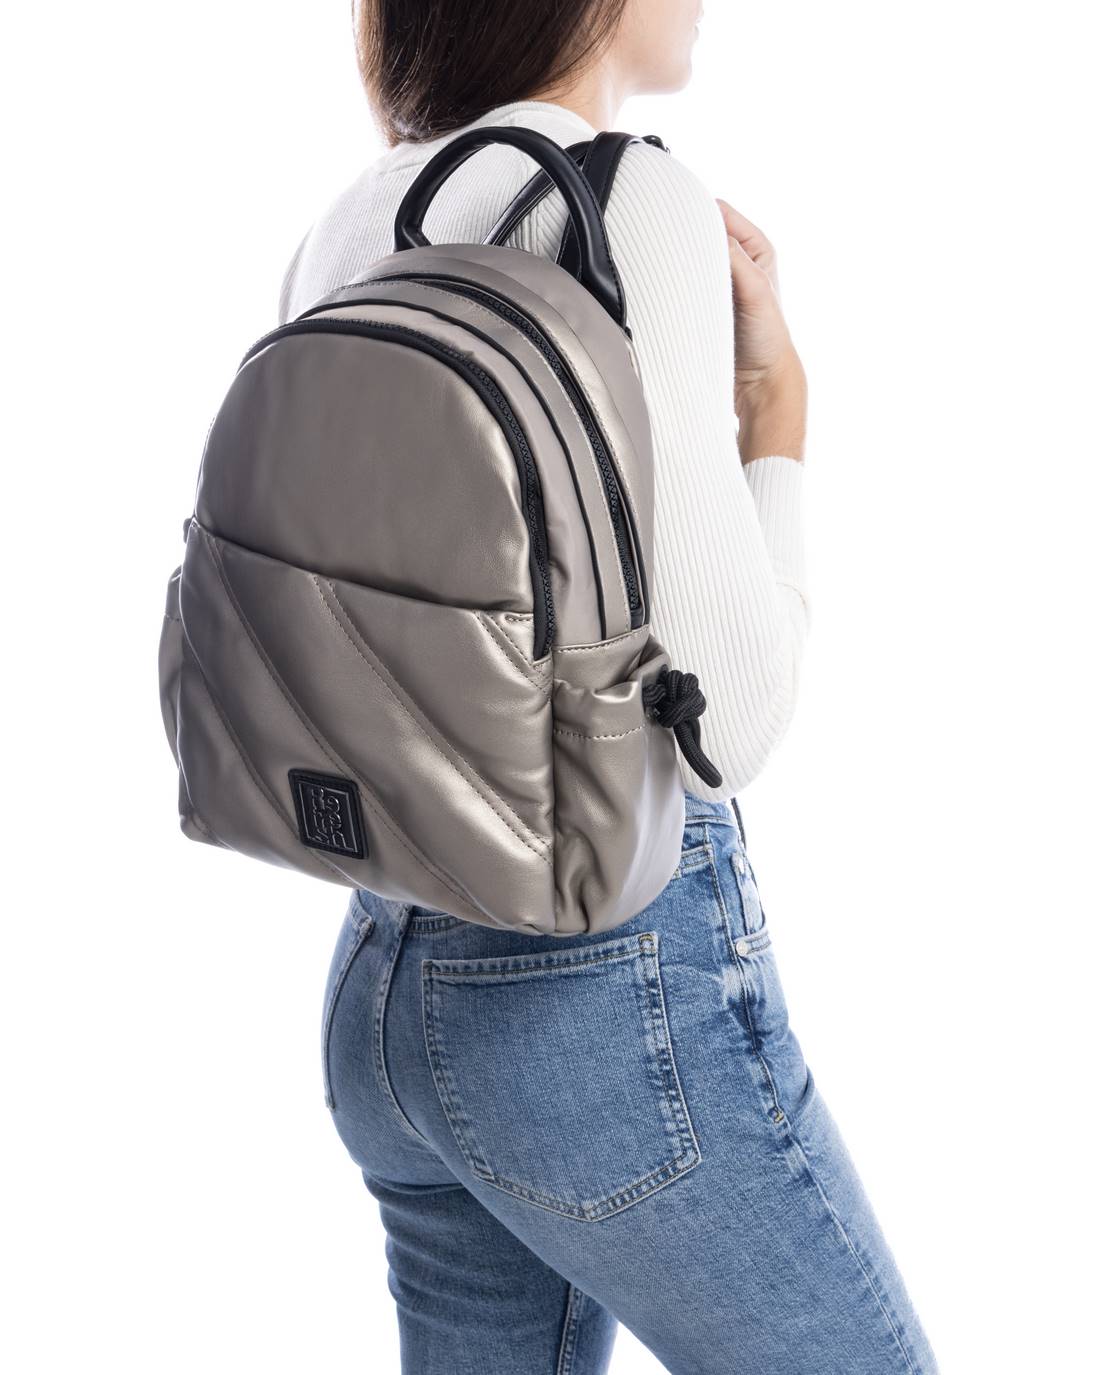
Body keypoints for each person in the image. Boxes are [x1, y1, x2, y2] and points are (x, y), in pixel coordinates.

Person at [279, 2, 940, 1370]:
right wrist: (778, 416)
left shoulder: (354, 216)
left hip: (384, 976)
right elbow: (727, 722)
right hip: (597, 992)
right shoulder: (628, 200)